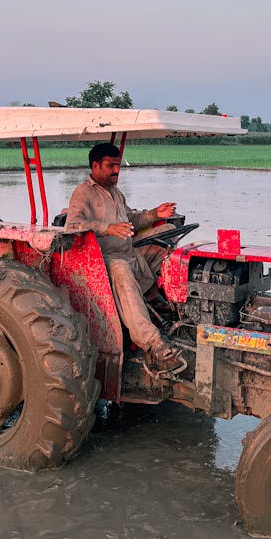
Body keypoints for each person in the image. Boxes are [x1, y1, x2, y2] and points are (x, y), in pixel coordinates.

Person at [65, 142, 184, 375]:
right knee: (121, 268)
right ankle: (151, 340)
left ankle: (166, 304)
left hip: (129, 253)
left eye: (118, 166)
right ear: (95, 165)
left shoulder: (115, 192)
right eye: (111, 166)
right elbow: (73, 225)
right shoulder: (83, 192)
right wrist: (107, 228)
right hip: (103, 261)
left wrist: (154, 214)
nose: (116, 171)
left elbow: (131, 221)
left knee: (167, 241)